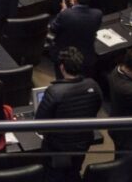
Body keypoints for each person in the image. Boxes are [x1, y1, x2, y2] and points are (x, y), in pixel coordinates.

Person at [35, 47, 102, 182]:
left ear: (62, 67)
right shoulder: (93, 85)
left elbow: (39, 126)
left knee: (55, 175)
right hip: (83, 143)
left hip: (58, 148)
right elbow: (95, 109)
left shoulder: (54, 91)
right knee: (74, 171)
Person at [49, 0, 102, 77]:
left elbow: (53, 29)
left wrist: (63, 11)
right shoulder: (97, 14)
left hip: (65, 56)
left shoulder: (66, 14)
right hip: (86, 56)